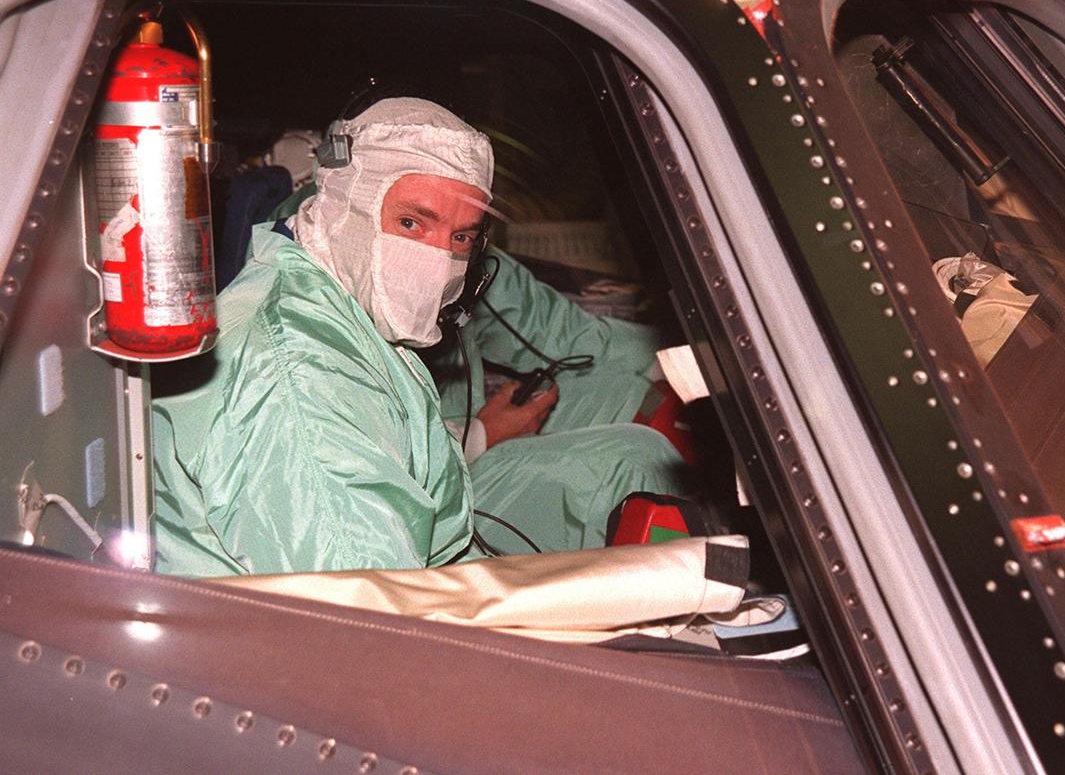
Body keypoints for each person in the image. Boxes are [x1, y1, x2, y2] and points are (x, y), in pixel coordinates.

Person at [151, 98, 686, 576]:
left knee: (637, 455)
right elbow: (369, 629)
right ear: (341, 204)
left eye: (459, 238)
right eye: (411, 224)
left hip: (421, 576)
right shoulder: (300, 384)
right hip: (353, 641)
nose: (436, 260)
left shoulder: (334, 306)